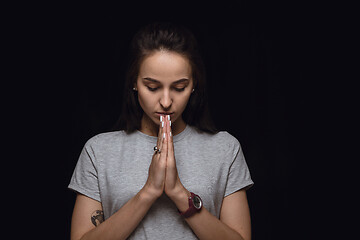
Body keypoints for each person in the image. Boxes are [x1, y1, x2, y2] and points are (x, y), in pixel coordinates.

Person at [68, 22, 254, 240]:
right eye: (152, 87)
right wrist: (149, 192)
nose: (166, 102)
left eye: (179, 87)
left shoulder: (225, 149)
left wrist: (178, 193)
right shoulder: (98, 151)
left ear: (194, 85)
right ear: (134, 82)